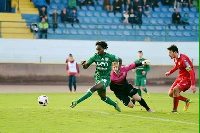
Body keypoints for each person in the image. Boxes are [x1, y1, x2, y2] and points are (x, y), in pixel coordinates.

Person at [70, 41, 122, 112]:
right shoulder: (95, 56)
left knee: (93, 88)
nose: (98, 51)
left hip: (106, 79)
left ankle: (77, 102)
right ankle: (115, 104)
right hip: (98, 78)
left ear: (104, 48)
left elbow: (120, 59)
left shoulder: (110, 56)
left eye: (99, 49)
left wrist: (119, 69)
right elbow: (86, 67)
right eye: (97, 49)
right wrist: (84, 65)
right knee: (103, 98)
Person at [165, 45, 196, 113]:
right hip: (180, 78)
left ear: (175, 52)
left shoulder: (184, 60)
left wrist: (193, 84)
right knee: (170, 93)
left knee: (176, 90)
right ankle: (186, 100)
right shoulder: (175, 58)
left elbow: (191, 71)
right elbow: (177, 66)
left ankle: (174, 110)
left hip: (187, 79)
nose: (169, 54)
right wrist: (170, 72)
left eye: (170, 52)